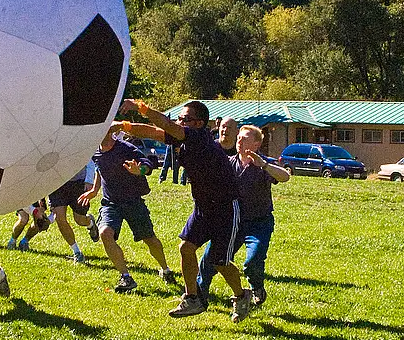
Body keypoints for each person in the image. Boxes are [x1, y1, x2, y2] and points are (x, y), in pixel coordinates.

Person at [117, 99, 252, 323]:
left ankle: (241, 295)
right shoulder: (184, 137)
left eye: (185, 119)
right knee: (186, 247)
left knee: (220, 261)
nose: (179, 122)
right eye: (179, 118)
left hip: (226, 208)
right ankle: (192, 299)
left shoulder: (199, 138)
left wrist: (141, 107)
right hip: (203, 207)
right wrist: (122, 127)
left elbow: (165, 126)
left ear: (199, 123)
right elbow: (154, 132)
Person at [197, 124, 289, 308]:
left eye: (245, 138)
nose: (239, 140)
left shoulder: (265, 163)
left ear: (256, 144)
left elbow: (285, 177)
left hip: (258, 223)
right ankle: (198, 296)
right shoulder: (229, 162)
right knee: (210, 260)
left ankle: (257, 288)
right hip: (232, 223)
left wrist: (263, 165)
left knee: (253, 261)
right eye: (239, 137)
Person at [79, 128, 174, 293]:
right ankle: (126, 277)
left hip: (133, 202)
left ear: (110, 132)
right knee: (105, 233)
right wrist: (94, 190)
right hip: (111, 203)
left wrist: (140, 171)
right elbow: (99, 169)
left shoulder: (126, 148)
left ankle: (165, 269)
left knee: (150, 239)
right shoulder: (96, 152)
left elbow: (148, 164)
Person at [47, 161, 100, 264]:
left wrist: (89, 181)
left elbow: (89, 160)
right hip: (57, 183)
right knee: (59, 217)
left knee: (79, 220)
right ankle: (76, 252)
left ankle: (90, 222)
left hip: (78, 183)